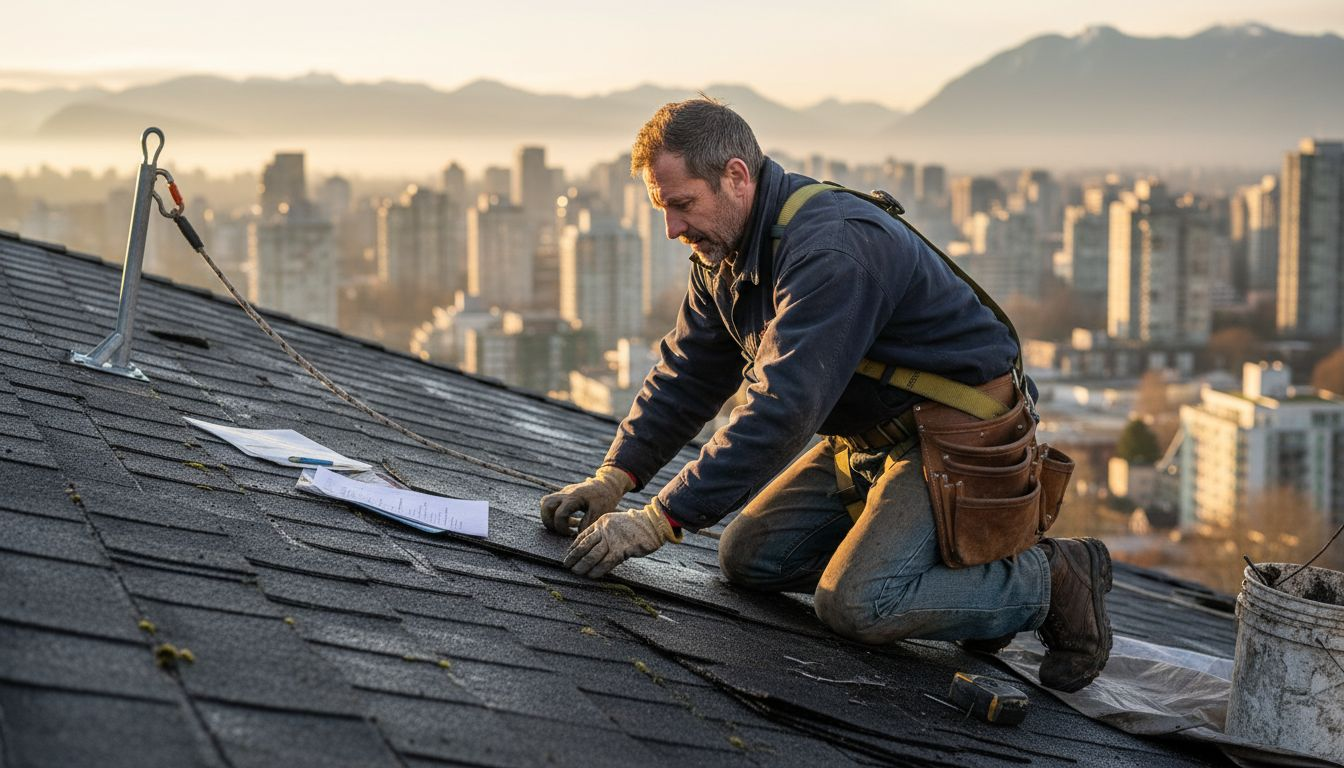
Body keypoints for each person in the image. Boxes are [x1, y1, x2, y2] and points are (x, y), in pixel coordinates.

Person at [539, 98, 1112, 693]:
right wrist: (614, 477)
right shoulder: (724, 254)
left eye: (682, 205)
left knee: (858, 605)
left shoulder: (829, 248)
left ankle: (1053, 578)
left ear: (736, 176)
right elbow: (688, 373)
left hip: (953, 438)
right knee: (749, 559)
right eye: (664, 209)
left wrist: (660, 519)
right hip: (867, 441)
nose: (673, 229)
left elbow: (781, 409)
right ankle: (962, 583)